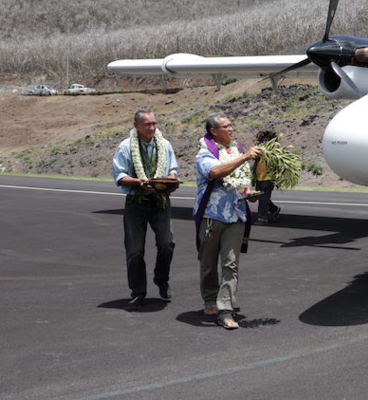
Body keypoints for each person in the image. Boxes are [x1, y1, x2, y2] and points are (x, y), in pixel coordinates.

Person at [194, 112, 262, 330]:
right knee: (208, 263)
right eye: (226, 126)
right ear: (214, 131)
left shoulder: (236, 151)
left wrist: (248, 193)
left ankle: (225, 310)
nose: (231, 129)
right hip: (212, 216)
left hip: (236, 215)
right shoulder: (204, 154)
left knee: (230, 264)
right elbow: (215, 172)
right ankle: (209, 298)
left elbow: (239, 181)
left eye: (232, 125)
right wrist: (244, 157)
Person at [112, 109, 178, 311]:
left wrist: (171, 179)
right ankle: (138, 293)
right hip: (136, 202)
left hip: (160, 201)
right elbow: (120, 176)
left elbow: (173, 169)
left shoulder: (164, 144)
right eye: (147, 124)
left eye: (154, 124)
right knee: (135, 250)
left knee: (167, 244)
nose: (152, 128)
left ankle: (161, 279)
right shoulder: (125, 147)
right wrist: (139, 182)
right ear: (136, 126)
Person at [253, 130, 281, 225]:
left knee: (264, 197)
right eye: (262, 140)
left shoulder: (275, 147)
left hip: (269, 177)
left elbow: (276, 157)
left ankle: (262, 218)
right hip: (259, 176)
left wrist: (264, 150)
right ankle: (274, 209)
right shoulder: (260, 148)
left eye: (265, 140)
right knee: (261, 196)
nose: (263, 142)